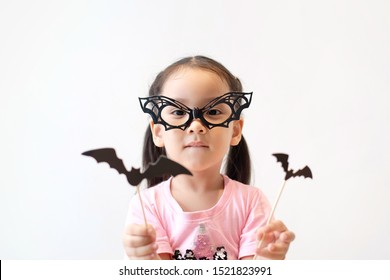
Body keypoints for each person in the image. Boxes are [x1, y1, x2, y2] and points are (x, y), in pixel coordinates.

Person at [123, 55, 295, 260]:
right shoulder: (147, 206)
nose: (196, 125)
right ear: (158, 131)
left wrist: (268, 258)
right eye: (178, 112)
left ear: (235, 130)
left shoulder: (251, 203)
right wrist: (145, 260)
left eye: (213, 111)